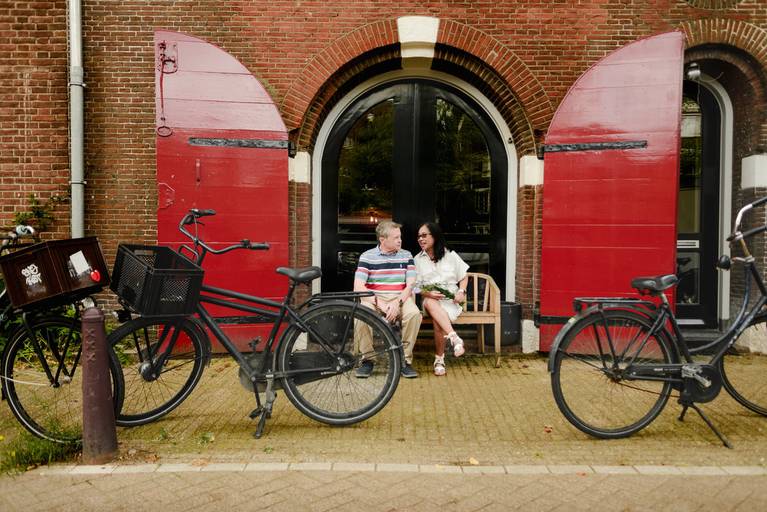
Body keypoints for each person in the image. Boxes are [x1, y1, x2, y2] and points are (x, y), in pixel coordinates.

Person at [353, 220, 422, 379]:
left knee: (414, 314)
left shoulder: (406, 255)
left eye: (400, 237)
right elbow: (358, 286)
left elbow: (410, 285)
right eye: (396, 237)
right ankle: (368, 360)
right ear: (382, 240)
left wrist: (397, 303)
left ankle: (404, 360)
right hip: (375, 299)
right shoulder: (367, 256)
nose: (400, 240)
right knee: (361, 316)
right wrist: (382, 304)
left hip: (400, 298)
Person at [414, 222, 469, 377]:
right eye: (419, 236)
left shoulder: (450, 255)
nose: (420, 239)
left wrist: (461, 291)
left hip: (451, 301)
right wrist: (428, 293)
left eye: (424, 235)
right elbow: (414, 287)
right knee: (431, 303)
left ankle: (440, 359)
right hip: (429, 300)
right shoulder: (417, 260)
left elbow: (464, 276)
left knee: (438, 320)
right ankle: (454, 338)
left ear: (435, 236)